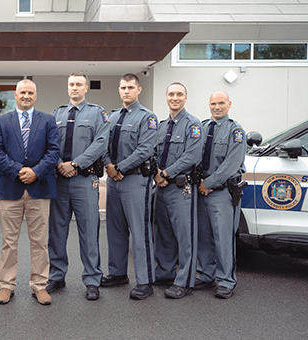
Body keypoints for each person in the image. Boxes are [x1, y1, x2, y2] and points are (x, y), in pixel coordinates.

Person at [0, 79, 60, 305]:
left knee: (39, 241)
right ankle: (6, 286)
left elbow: (54, 151)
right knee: (9, 242)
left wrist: (36, 172)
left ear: (36, 96)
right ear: (15, 95)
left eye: (30, 92)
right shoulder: (1, 121)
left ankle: (40, 285)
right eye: (22, 92)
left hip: (39, 189)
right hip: (10, 187)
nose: (26, 96)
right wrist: (19, 170)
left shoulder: (48, 120)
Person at [47, 72, 110, 301]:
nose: (74, 88)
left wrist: (76, 164)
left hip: (85, 180)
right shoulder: (57, 113)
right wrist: (59, 165)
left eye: (79, 85)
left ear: (86, 88)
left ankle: (92, 279)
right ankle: (56, 275)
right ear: (68, 88)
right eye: (71, 84)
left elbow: (101, 143)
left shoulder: (97, 113)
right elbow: (49, 143)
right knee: (57, 231)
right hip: (59, 181)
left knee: (89, 231)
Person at [101, 73, 157, 300]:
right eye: (123, 88)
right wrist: (107, 164)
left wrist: (119, 167)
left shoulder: (147, 117)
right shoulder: (111, 117)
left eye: (130, 87)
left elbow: (145, 149)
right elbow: (101, 143)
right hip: (114, 181)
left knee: (140, 231)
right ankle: (117, 272)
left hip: (135, 180)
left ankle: (145, 281)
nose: (126, 91)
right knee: (114, 229)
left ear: (139, 90)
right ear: (119, 90)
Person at [153, 82, 202, 299]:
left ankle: (184, 282)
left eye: (179, 94)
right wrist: (156, 173)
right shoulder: (162, 126)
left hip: (181, 189)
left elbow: (191, 157)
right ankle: (164, 273)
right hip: (161, 188)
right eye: (171, 94)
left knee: (185, 236)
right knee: (163, 233)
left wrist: (165, 174)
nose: (175, 98)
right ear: (166, 97)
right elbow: (153, 152)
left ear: (186, 98)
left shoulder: (193, 125)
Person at [195, 91, 246, 299]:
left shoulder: (236, 131)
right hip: (201, 189)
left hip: (221, 191)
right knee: (203, 236)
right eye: (213, 103)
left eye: (221, 103)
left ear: (229, 104)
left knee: (223, 238)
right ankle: (206, 275)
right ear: (209, 105)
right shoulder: (203, 127)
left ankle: (226, 281)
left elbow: (231, 164)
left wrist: (209, 183)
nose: (217, 107)